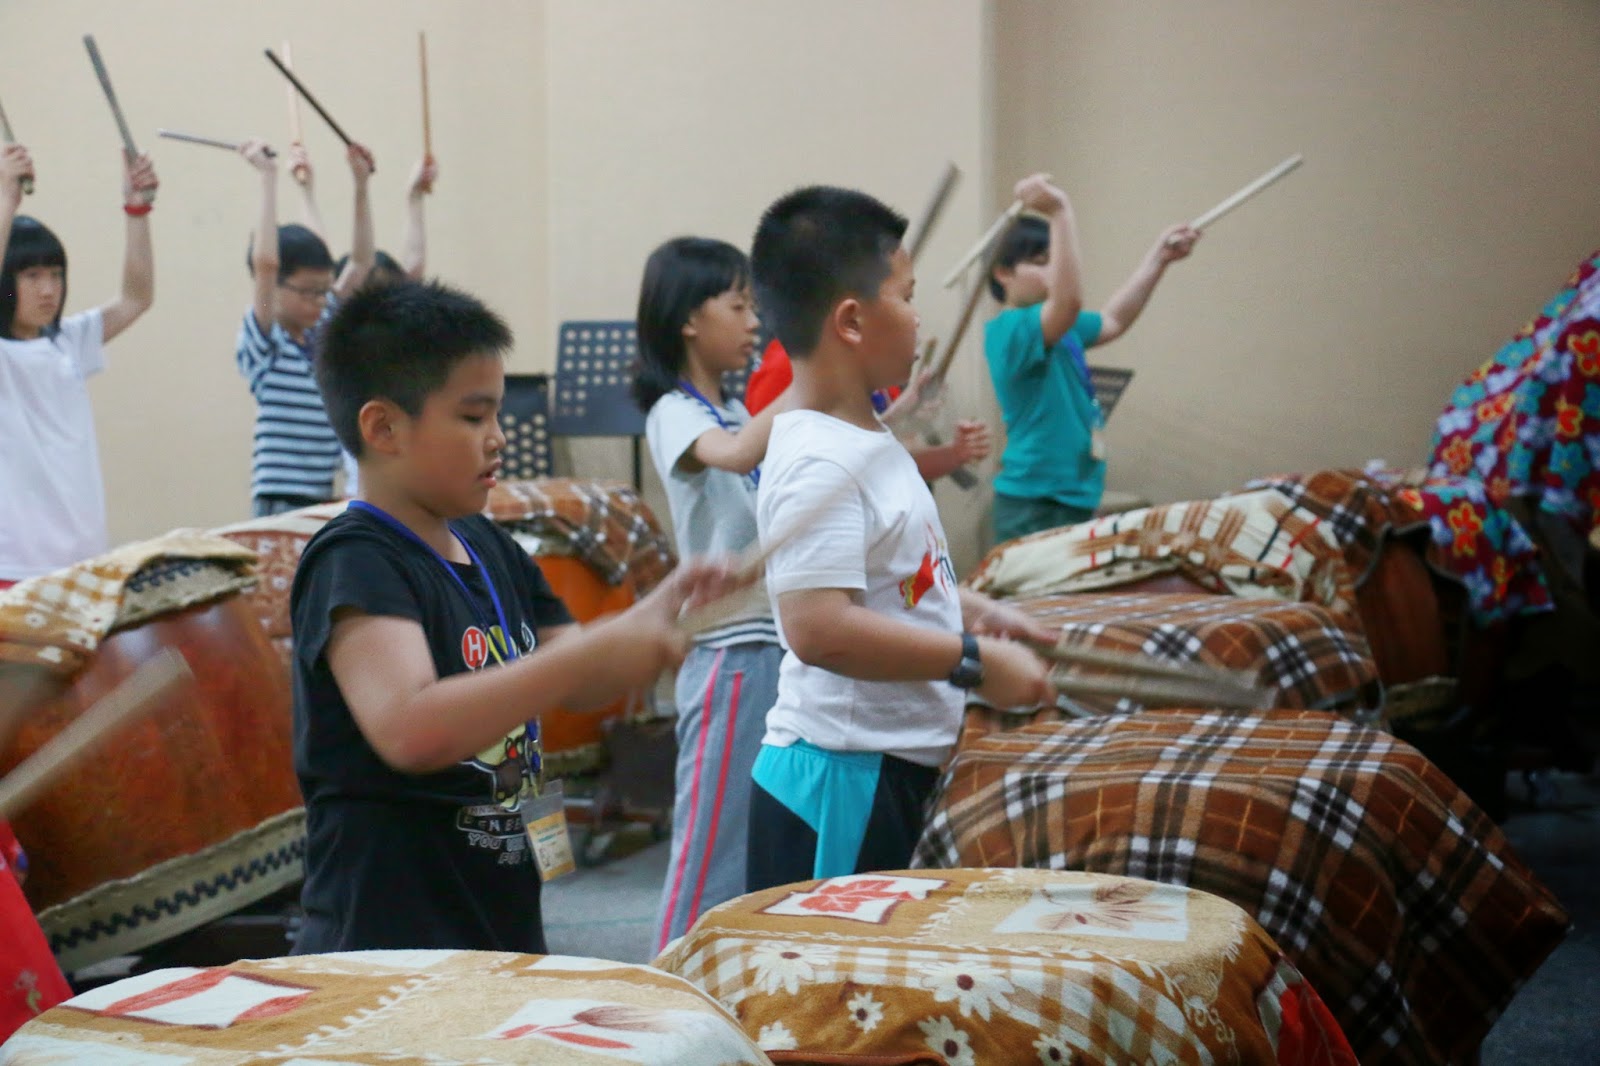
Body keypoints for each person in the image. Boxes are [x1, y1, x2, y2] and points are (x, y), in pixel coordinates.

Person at [290, 278, 739, 953]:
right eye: (473, 418)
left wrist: (659, 611)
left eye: (497, 414)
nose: (499, 438)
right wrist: (589, 653)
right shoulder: (356, 560)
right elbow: (411, 730)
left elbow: (580, 681)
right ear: (383, 428)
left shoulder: (489, 544)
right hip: (386, 936)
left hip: (497, 916)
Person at [745, 185, 1056, 892]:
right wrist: (972, 659)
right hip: (841, 777)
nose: (920, 317)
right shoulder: (820, 459)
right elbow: (818, 628)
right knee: (838, 964)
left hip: (882, 765)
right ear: (852, 321)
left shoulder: (870, 439)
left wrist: (973, 610)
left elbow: (892, 578)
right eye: (908, 296)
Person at [632, 236, 785, 949]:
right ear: (689, 318)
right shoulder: (677, 411)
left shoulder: (733, 410)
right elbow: (737, 455)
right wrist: (813, 377)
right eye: (738, 305)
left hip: (769, 645)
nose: (754, 322)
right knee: (708, 860)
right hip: (728, 655)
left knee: (753, 853)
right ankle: (666, 990)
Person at [985, 172, 1199, 543]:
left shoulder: (1061, 328)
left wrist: (1158, 260)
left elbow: (1113, 319)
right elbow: (1068, 302)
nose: (1053, 271)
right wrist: (1059, 211)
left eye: (1054, 261)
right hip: (1035, 501)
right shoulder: (1009, 328)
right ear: (1003, 272)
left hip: (1072, 495)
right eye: (1040, 261)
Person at [0, 142, 158, 586]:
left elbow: (136, 298)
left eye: (55, 275)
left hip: (84, 563)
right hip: (14, 568)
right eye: (32, 276)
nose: (48, 289)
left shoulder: (68, 341)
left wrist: (137, 211)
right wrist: (6, 199)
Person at [235, 137, 375, 517]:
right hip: (279, 494)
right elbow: (266, 265)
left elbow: (361, 263)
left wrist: (360, 185)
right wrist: (268, 178)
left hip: (321, 492)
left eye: (323, 291)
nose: (320, 300)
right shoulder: (265, 340)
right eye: (308, 292)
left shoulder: (321, 330)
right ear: (276, 288)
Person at [745, 337, 991, 483]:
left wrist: (954, 454)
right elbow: (797, 475)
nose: (914, 317)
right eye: (903, 297)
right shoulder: (788, 366)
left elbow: (890, 461)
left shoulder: (866, 365)